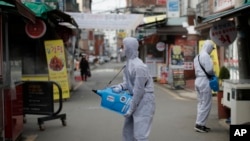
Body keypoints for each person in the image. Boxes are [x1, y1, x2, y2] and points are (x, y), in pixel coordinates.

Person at [111, 37, 155, 141]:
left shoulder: (139, 67)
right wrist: (120, 87)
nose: (123, 49)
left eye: (124, 47)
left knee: (140, 135)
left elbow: (139, 90)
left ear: (130, 48)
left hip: (144, 101)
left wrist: (131, 108)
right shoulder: (128, 64)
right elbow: (128, 83)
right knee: (128, 132)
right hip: (134, 100)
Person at [193, 40, 215, 133]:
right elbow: (209, 70)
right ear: (208, 47)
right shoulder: (206, 56)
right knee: (206, 104)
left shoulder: (197, 57)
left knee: (201, 103)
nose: (212, 50)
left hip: (198, 80)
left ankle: (200, 123)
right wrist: (214, 73)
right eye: (212, 48)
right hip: (204, 81)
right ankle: (200, 125)